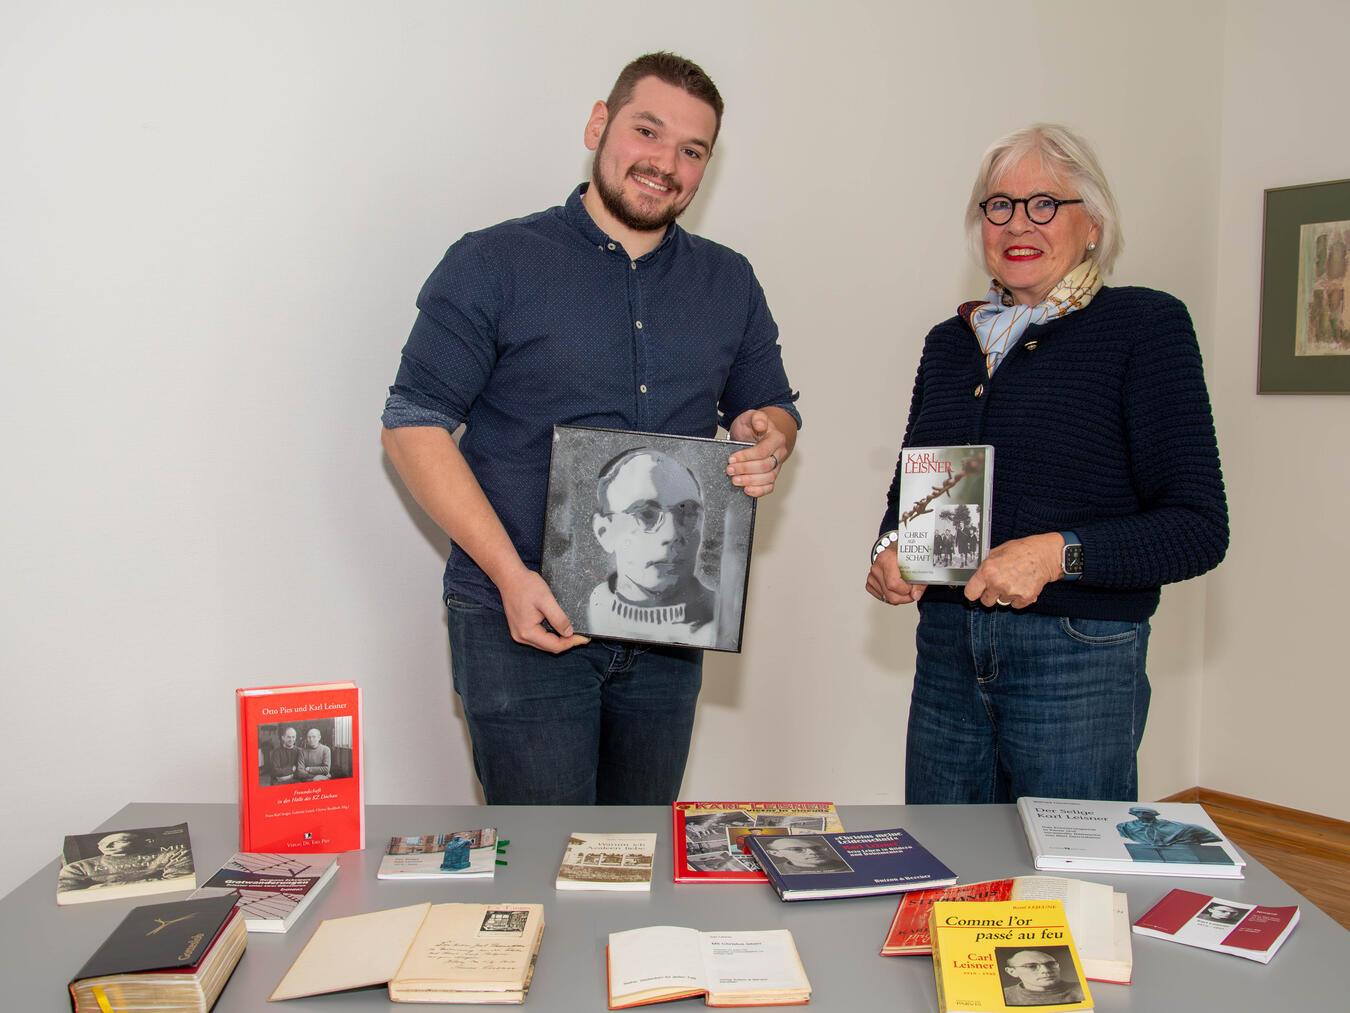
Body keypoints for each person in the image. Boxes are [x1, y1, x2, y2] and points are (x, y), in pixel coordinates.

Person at [381, 52, 799, 805]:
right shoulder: (493, 262)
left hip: (670, 631)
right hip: (522, 623)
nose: (665, 162)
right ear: (599, 124)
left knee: (637, 863)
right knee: (547, 870)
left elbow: (772, 410)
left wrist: (765, 434)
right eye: (648, 130)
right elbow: (413, 425)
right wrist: (511, 577)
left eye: (692, 150)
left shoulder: (729, 280)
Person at [866, 124, 1227, 804]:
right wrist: (891, 548)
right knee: (946, 880)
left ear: (1093, 223)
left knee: (1068, 883)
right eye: (998, 205)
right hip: (946, 645)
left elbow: (1199, 526)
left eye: (1044, 204)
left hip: (1077, 657)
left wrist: (1056, 553)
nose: (1017, 223)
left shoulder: (1144, 327)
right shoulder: (952, 342)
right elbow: (912, 493)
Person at [587, 447, 717, 646]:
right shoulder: (582, 613)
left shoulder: (722, 620)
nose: (671, 534)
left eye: (688, 513)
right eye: (646, 514)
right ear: (604, 532)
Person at [58, 832, 192, 893]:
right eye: (128, 840)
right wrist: (155, 881)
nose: (148, 842)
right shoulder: (77, 868)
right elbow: (68, 895)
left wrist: (100, 888)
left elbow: (179, 883)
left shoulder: (176, 854)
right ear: (110, 846)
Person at [1001, 950, 1084, 1006]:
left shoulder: (1082, 990)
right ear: (1012, 972)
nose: (1046, 970)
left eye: (1051, 964)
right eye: (1031, 966)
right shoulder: (1004, 996)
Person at [758, 836, 850, 874]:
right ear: (775, 853)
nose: (813, 852)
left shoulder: (849, 865)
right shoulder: (774, 871)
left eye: (817, 848)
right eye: (796, 849)